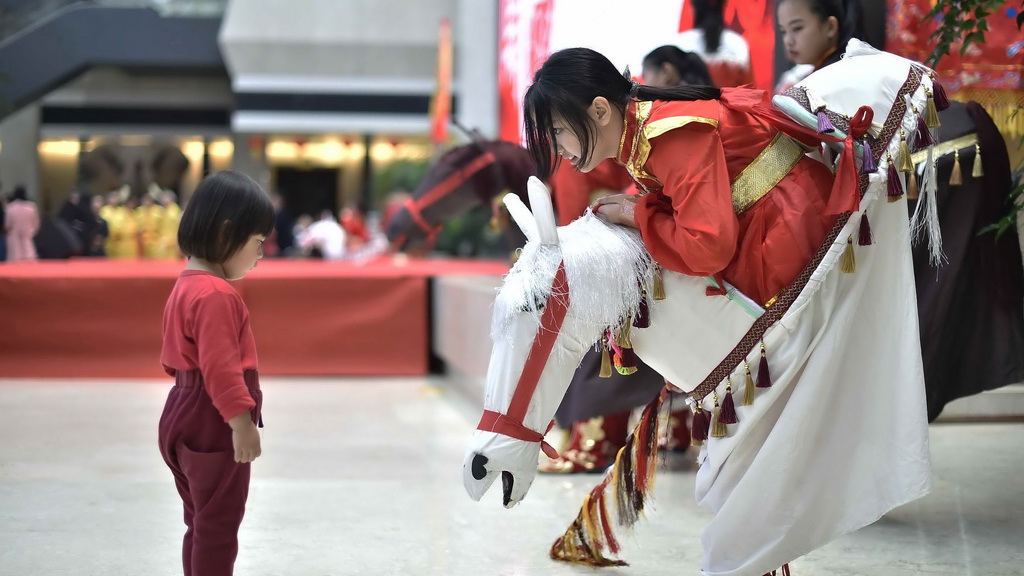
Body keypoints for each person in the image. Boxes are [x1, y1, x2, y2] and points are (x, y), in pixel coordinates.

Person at [158, 170, 273, 576]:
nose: (261, 254)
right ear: (227, 233)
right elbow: (221, 370)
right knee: (219, 526)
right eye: (258, 242)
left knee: (201, 521)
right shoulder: (216, 294)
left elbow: (172, 360)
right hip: (212, 419)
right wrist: (241, 424)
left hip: (181, 409)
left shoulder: (186, 285)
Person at [775, 0, 864, 93]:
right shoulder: (802, 76)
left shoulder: (839, 80)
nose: (788, 41)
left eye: (797, 28)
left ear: (830, 27)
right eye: (783, 31)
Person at [675, 0, 753, 88]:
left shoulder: (681, 43)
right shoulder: (738, 43)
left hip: (690, 96)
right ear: (723, 8)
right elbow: (748, 88)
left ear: (694, 10)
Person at [4, 186, 40, 262]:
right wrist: (31, 232)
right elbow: (36, 224)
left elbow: (7, 225)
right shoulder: (31, 207)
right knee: (29, 259)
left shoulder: (10, 207)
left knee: (14, 261)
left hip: (14, 239)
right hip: (28, 237)